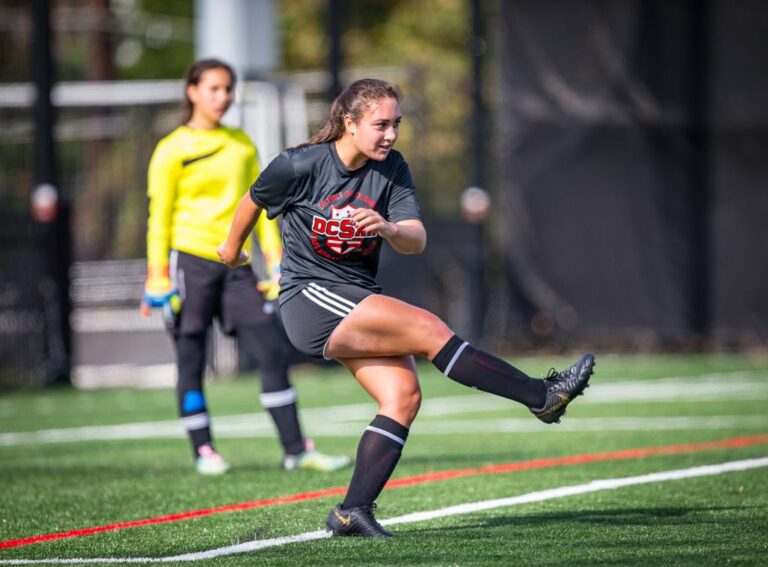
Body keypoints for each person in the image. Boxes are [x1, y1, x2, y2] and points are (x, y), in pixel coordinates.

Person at [218, 78, 595, 535]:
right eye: (380, 124)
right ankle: (541, 396)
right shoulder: (299, 164)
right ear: (349, 122)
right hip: (310, 299)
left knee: (403, 397)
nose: (391, 134)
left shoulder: (392, 167)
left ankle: (351, 512)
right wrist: (231, 250)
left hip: (353, 299)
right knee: (429, 328)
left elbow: (415, 238)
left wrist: (387, 228)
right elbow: (253, 200)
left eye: (396, 123)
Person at [142, 58, 350, 476]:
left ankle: (296, 450)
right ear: (193, 91)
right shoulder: (171, 149)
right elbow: (158, 216)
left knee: (272, 351)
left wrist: (276, 263)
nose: (223, 97)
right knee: (191, 357)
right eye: (214, 88)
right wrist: (158, 276)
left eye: (228, 89)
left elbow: (262, 208)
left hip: (237, 266)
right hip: (190, 263)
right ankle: (204, 451)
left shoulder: (242, 144)